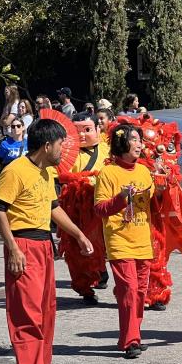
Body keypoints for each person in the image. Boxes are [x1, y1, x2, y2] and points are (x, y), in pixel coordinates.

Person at [0, 118, 93, 364]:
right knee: (27, 315)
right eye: (61, 143)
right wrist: (12, 248)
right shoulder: (15, 171)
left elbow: (53, 208)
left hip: (43, 246)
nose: (64, 149)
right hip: (23, 244)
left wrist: (78, 235)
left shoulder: (47, 173)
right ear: (47, 145)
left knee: (46, 313)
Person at [94, 124, 158, 359]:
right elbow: (100, 209)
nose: (140, 144)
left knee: (140, 292)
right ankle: (130, 340)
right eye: (134, 139)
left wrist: (164, 187)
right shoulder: (108, 173)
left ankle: (133, 335)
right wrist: (121, 198)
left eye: (140, 139)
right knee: (129, 290)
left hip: (142, 240)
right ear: (122, 143)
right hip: (119, 240)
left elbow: (153, 204)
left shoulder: (143, 171)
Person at [58, 113, 111, 304]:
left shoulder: (109, 149)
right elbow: (61, 175)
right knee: (79, 245)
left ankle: (103, 272)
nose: (81, 135)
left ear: (98, 129)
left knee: (107, 242)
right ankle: (86, 284)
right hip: (78, 205)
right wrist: (79, 178)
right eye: (77, 131)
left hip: (104, 202)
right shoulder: (68, 153)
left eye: (87, 130)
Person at [0, 115, 28, 191]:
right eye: (13, 127)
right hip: (10, 177)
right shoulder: (5, 144)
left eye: (18, 126)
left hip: (25, 177)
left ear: (23, 127)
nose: (16, 128)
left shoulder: (29, 143)